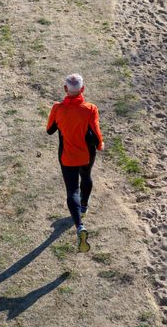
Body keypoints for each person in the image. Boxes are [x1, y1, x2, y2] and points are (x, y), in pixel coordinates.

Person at [46, 73, 104, 252]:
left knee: (72, 190)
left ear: (65, 89)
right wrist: (100, 144)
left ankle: (80, 226)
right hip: (87, 154)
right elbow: (95, 132)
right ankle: (84, 206)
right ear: (83, 89)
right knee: (86, 177)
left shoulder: (57, 108)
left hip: (67, 156)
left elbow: (50, 130)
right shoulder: (90, 108)